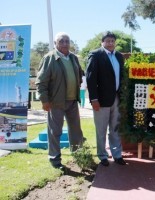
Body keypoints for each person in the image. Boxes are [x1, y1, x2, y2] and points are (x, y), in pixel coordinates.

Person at [36, 32, 84, 170]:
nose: (64, 43)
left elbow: (79, 74)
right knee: (55, 131)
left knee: (76, 130)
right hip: (55, 102)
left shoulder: (73, 57)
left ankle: (78, 154)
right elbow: (41, 82)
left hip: (72, 101)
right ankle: (55, 158)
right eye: (61, 41)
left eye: (67, 41)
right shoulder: (50, 58)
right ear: (56, 43)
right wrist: (45, 100)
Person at [86, 31, 126, 166]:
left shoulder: (119, 56)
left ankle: (117, 154)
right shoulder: (96, 55)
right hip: (101, 100)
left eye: (112, 41)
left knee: (115, 128)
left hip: (117, 98)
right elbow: (91, 78)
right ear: (102, 42)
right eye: (107, 41)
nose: (110, 43)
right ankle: (102, 155)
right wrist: (94, 99)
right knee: (101, 129)